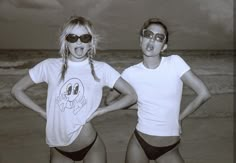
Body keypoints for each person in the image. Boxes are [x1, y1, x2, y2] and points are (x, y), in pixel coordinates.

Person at [11, 16, 137, 163]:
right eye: (73, 37)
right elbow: (16, 90)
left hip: (90, 147)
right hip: (58, 149)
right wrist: (42, 112)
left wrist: (103, 110)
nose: (79, 41)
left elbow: (131, 95)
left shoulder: (102, 69)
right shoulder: (49, 66)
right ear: (66, 42)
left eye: (85, 37)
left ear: (91, 43)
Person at [106, 18, 211, 163]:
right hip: (139, 143)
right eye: (148, 35)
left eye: (159, 38)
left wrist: (179, 118)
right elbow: (109, 100)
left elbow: (204, 93)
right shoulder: (130, 73)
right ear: (141, 40)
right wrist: (141, 105)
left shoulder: (175, 63)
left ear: (164, 46)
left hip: (168, 148)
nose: (152, 40)